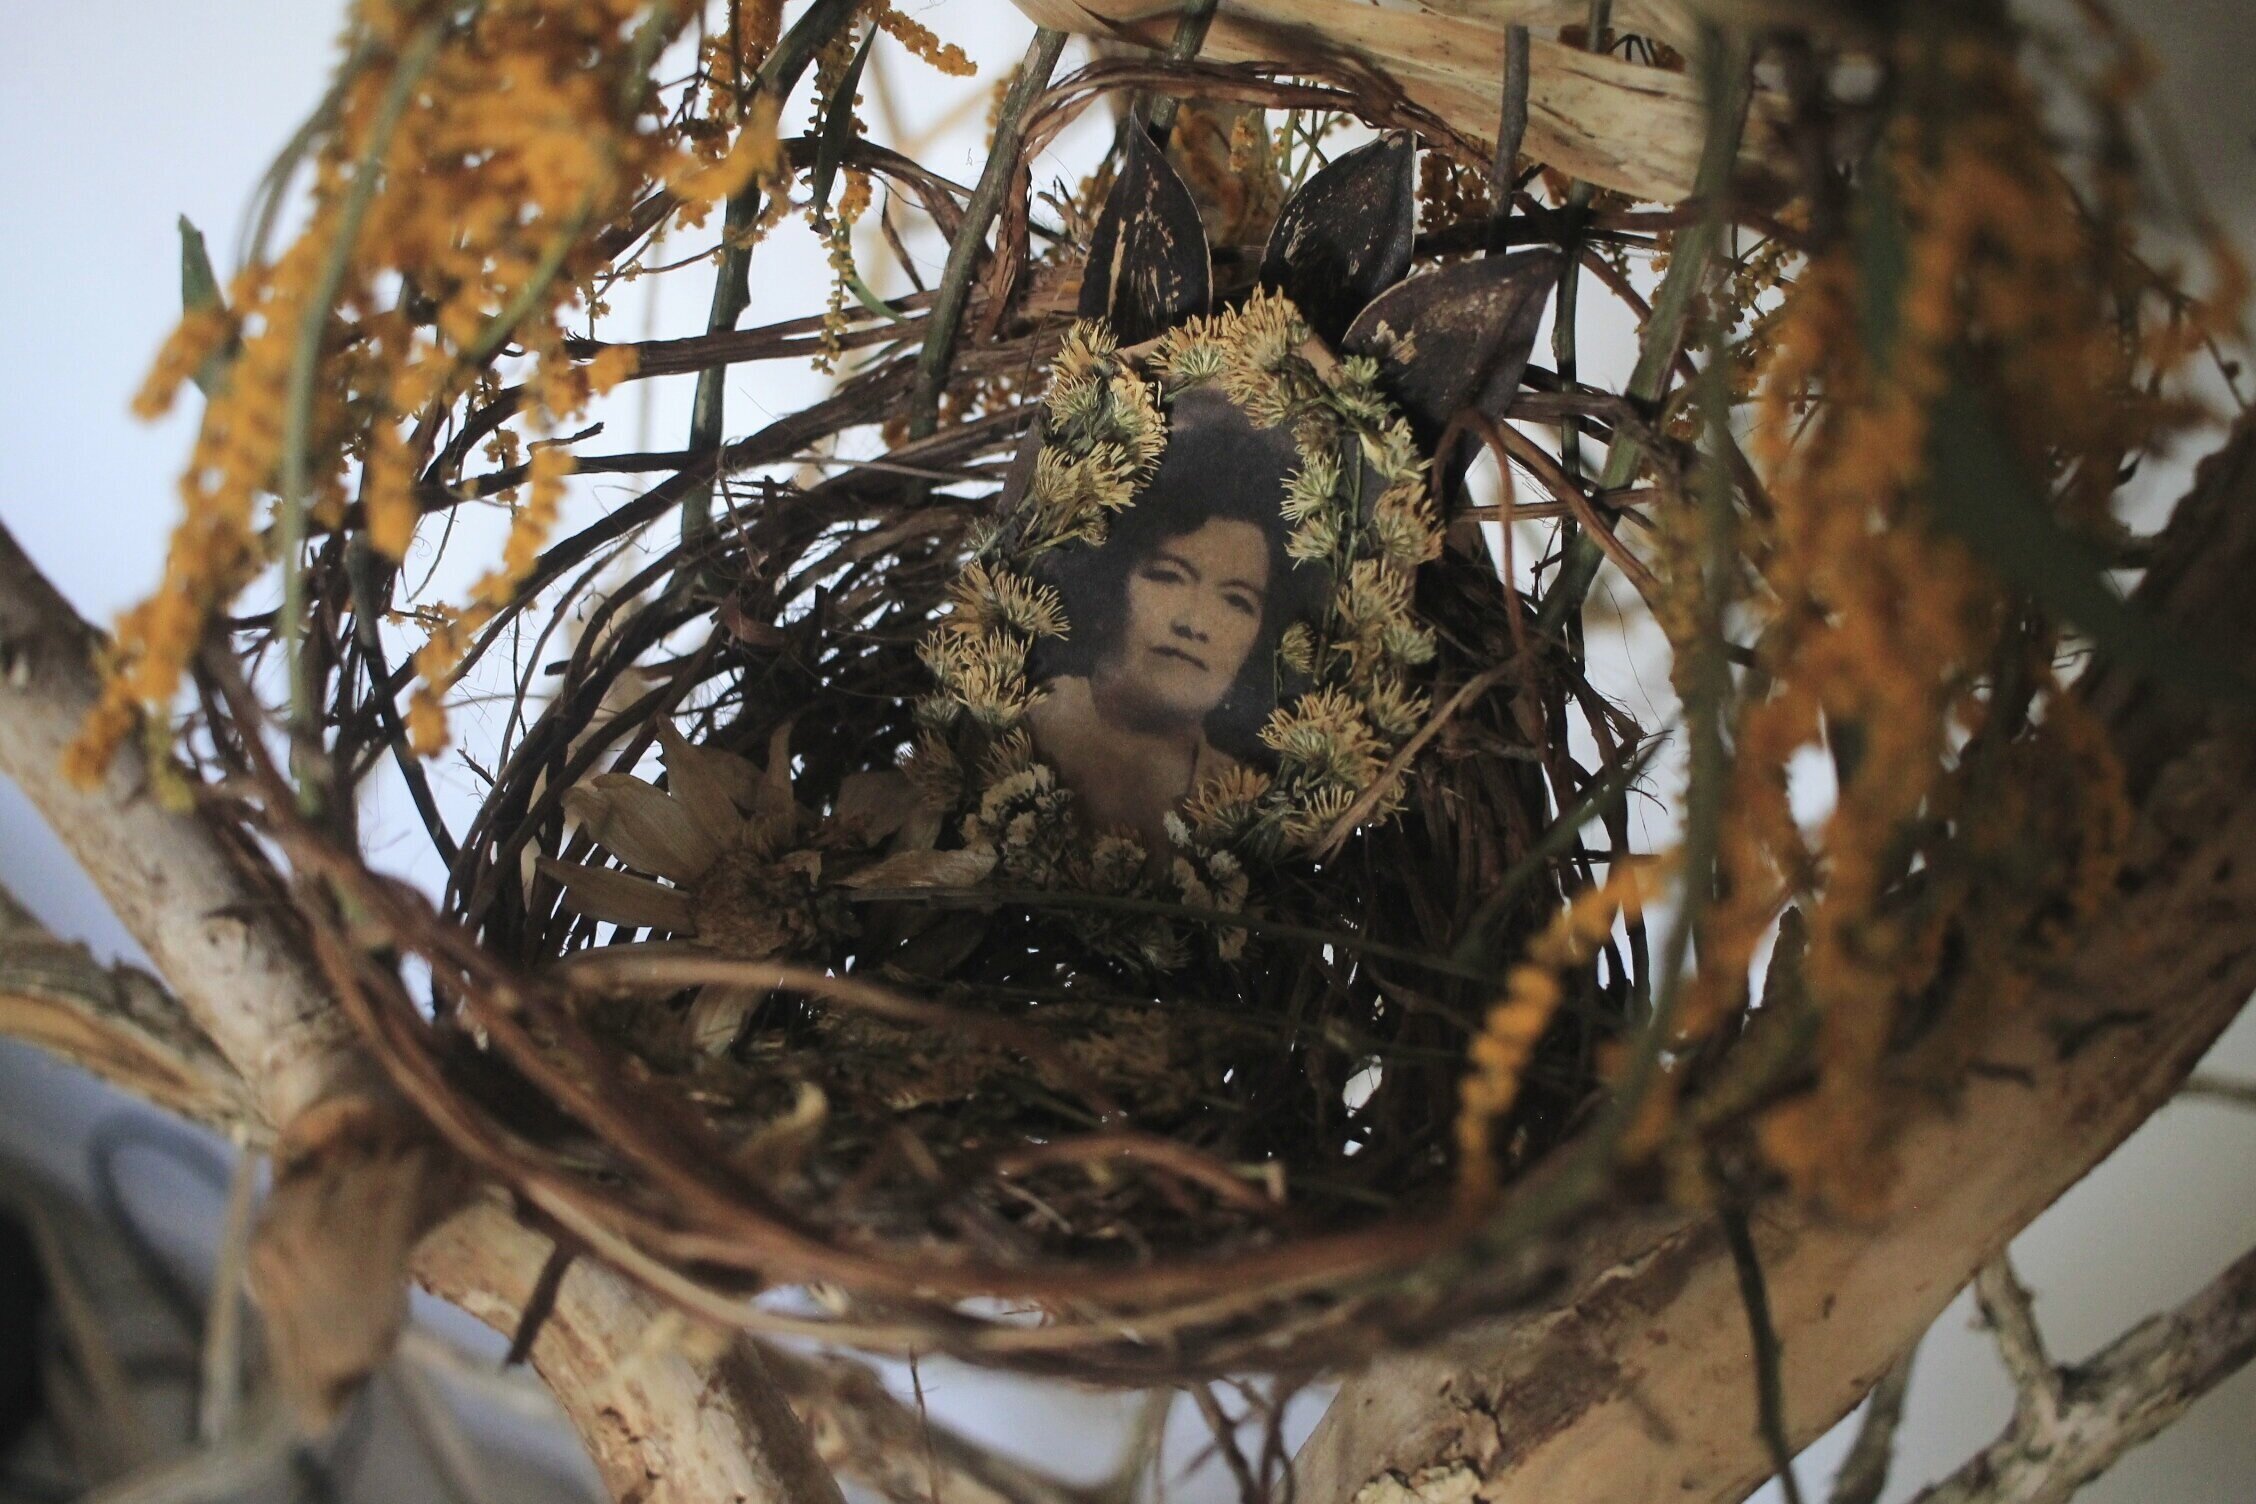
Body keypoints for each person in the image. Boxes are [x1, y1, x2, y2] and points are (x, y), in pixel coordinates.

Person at [1026, 390, 1317, 856]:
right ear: (1109, 583)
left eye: (1237, 603)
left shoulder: (1251, 807)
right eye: (1168, 576)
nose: (1195, 624)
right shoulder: (1020, 723)